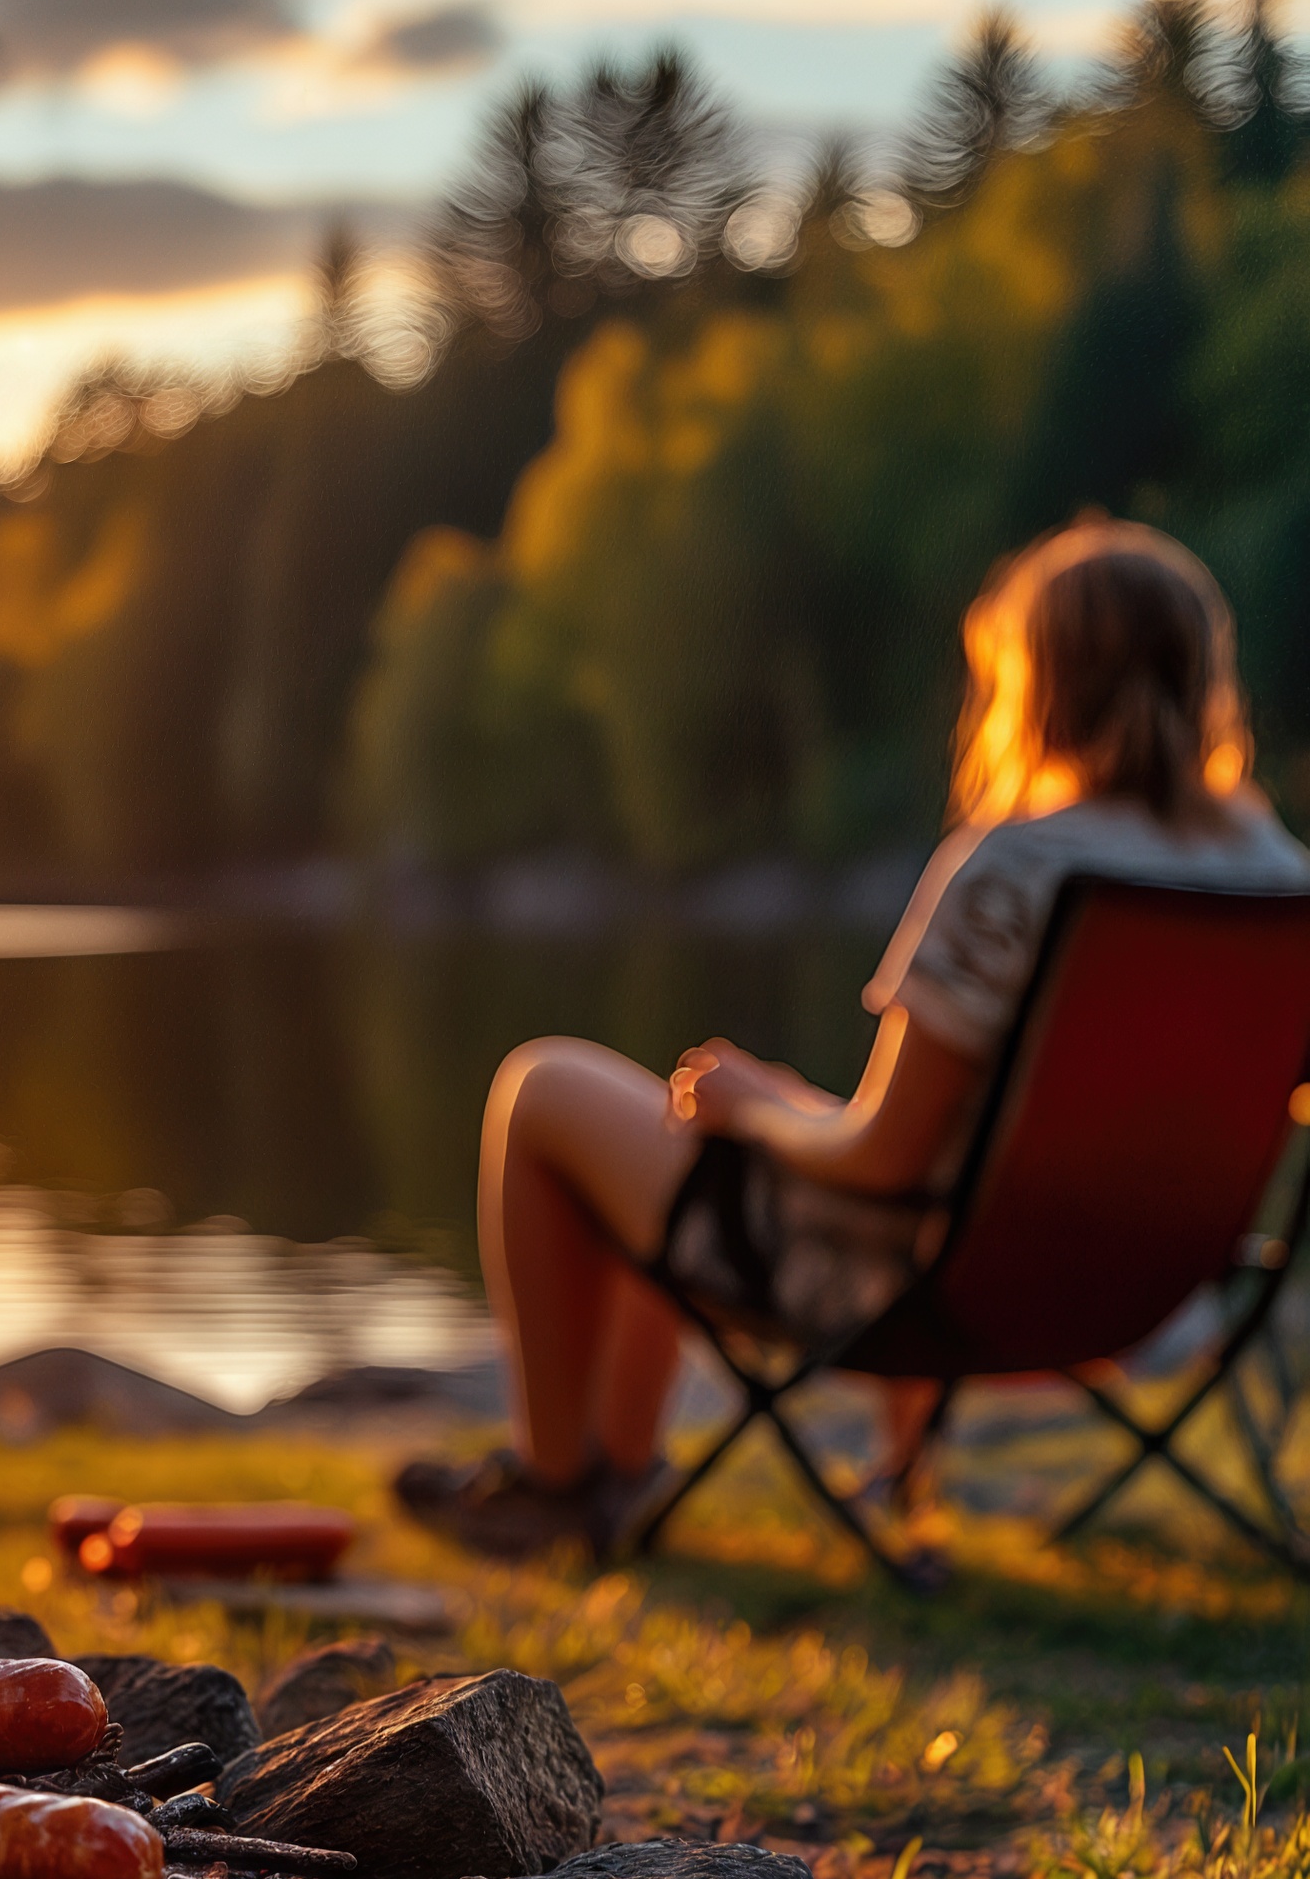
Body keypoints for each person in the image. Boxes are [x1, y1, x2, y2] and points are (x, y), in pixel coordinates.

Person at [401, 515, 1310, 1557]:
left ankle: (557, 1482)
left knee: (545, 1089)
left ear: (1039, 684)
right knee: (714, 1127)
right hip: (1141, 1296)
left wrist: (761, 1109)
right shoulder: (1284, 877)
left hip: (918, 1293)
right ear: (1202, 677)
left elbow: (886, 1159)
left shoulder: (1015, 869)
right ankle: (631, 1470)